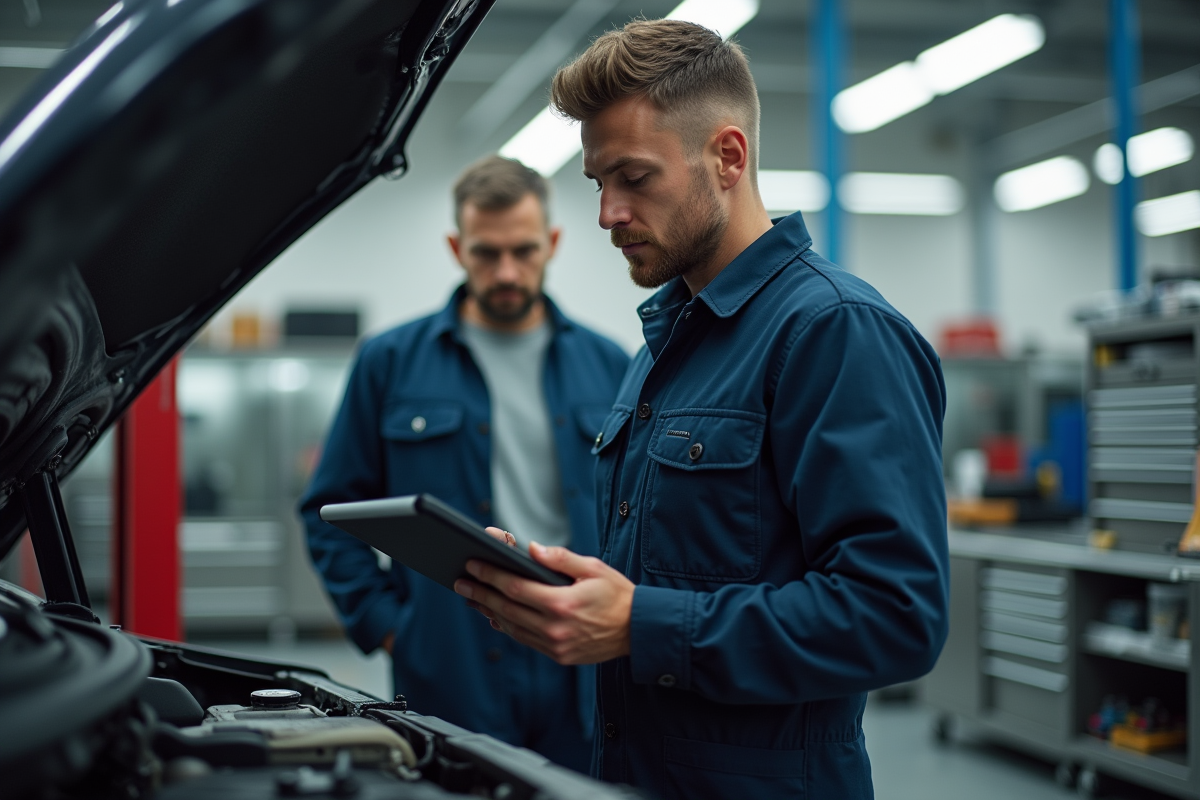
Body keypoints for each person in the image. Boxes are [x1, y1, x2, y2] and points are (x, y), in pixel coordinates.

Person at [452, 20, 949, 800]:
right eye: (597, 183)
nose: (608, 213)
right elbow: (673, 570)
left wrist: (640, 625)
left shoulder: (834, 333)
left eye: (634, 178)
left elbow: (896, 615)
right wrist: (568, 596)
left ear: (727, 157)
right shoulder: (660, 349)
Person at [300, 155, 630, 772]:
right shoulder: (391, 361)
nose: (507, 270)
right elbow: (327, 511)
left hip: (574, 655)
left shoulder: (609, 363)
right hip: (448, 656)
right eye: (486, 252)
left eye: (524, 250)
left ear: (552, 243)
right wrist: (393, 627)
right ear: (457, 247)